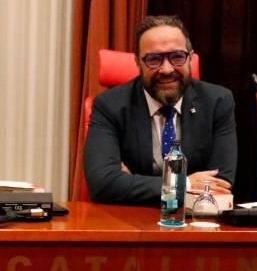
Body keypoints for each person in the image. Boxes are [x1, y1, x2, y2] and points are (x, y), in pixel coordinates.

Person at [84, 15, 237, 206]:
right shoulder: (109, 105)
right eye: (153, 59)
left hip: (196, 223)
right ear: (137, 63)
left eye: (177, 57)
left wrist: (131, 184)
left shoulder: (217, 102)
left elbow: (220, 185)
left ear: (190, 58)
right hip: (130, 223)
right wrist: (185, 183)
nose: (166, 69)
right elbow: (103, 184)